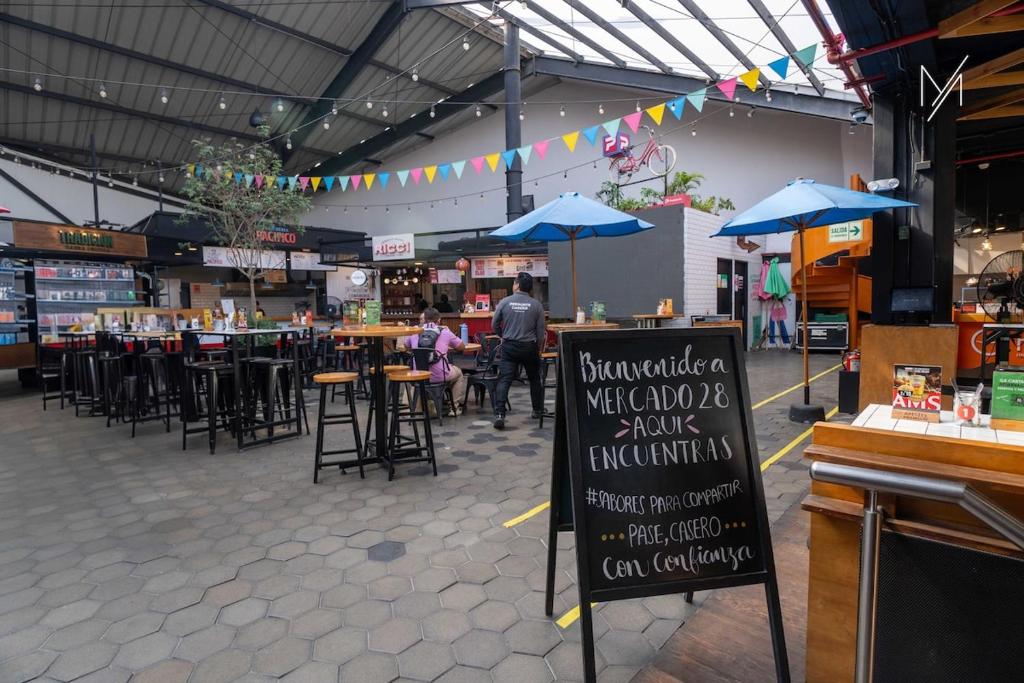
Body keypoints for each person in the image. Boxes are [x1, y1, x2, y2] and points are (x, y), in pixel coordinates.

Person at [491, 272, 545, 430]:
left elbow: (494, 324)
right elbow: (540, 332)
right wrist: (538, 348)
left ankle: (500, 414)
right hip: (529, 347)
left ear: (517, 285)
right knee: (534, 379)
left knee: (505, 380)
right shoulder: (536, 305)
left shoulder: (505, 302)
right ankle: (537, 410)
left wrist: (502, 335)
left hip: (509, 347)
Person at [402, 307, 467, 415]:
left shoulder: (415, 331)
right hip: (440, 375)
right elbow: (461, 347)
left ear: (424, 319)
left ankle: (415, 407)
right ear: (439, 320)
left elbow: (406, 346)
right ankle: (453, 408)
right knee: (459, 373)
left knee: (412, 374)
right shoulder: (445, 332)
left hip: (419, 375)